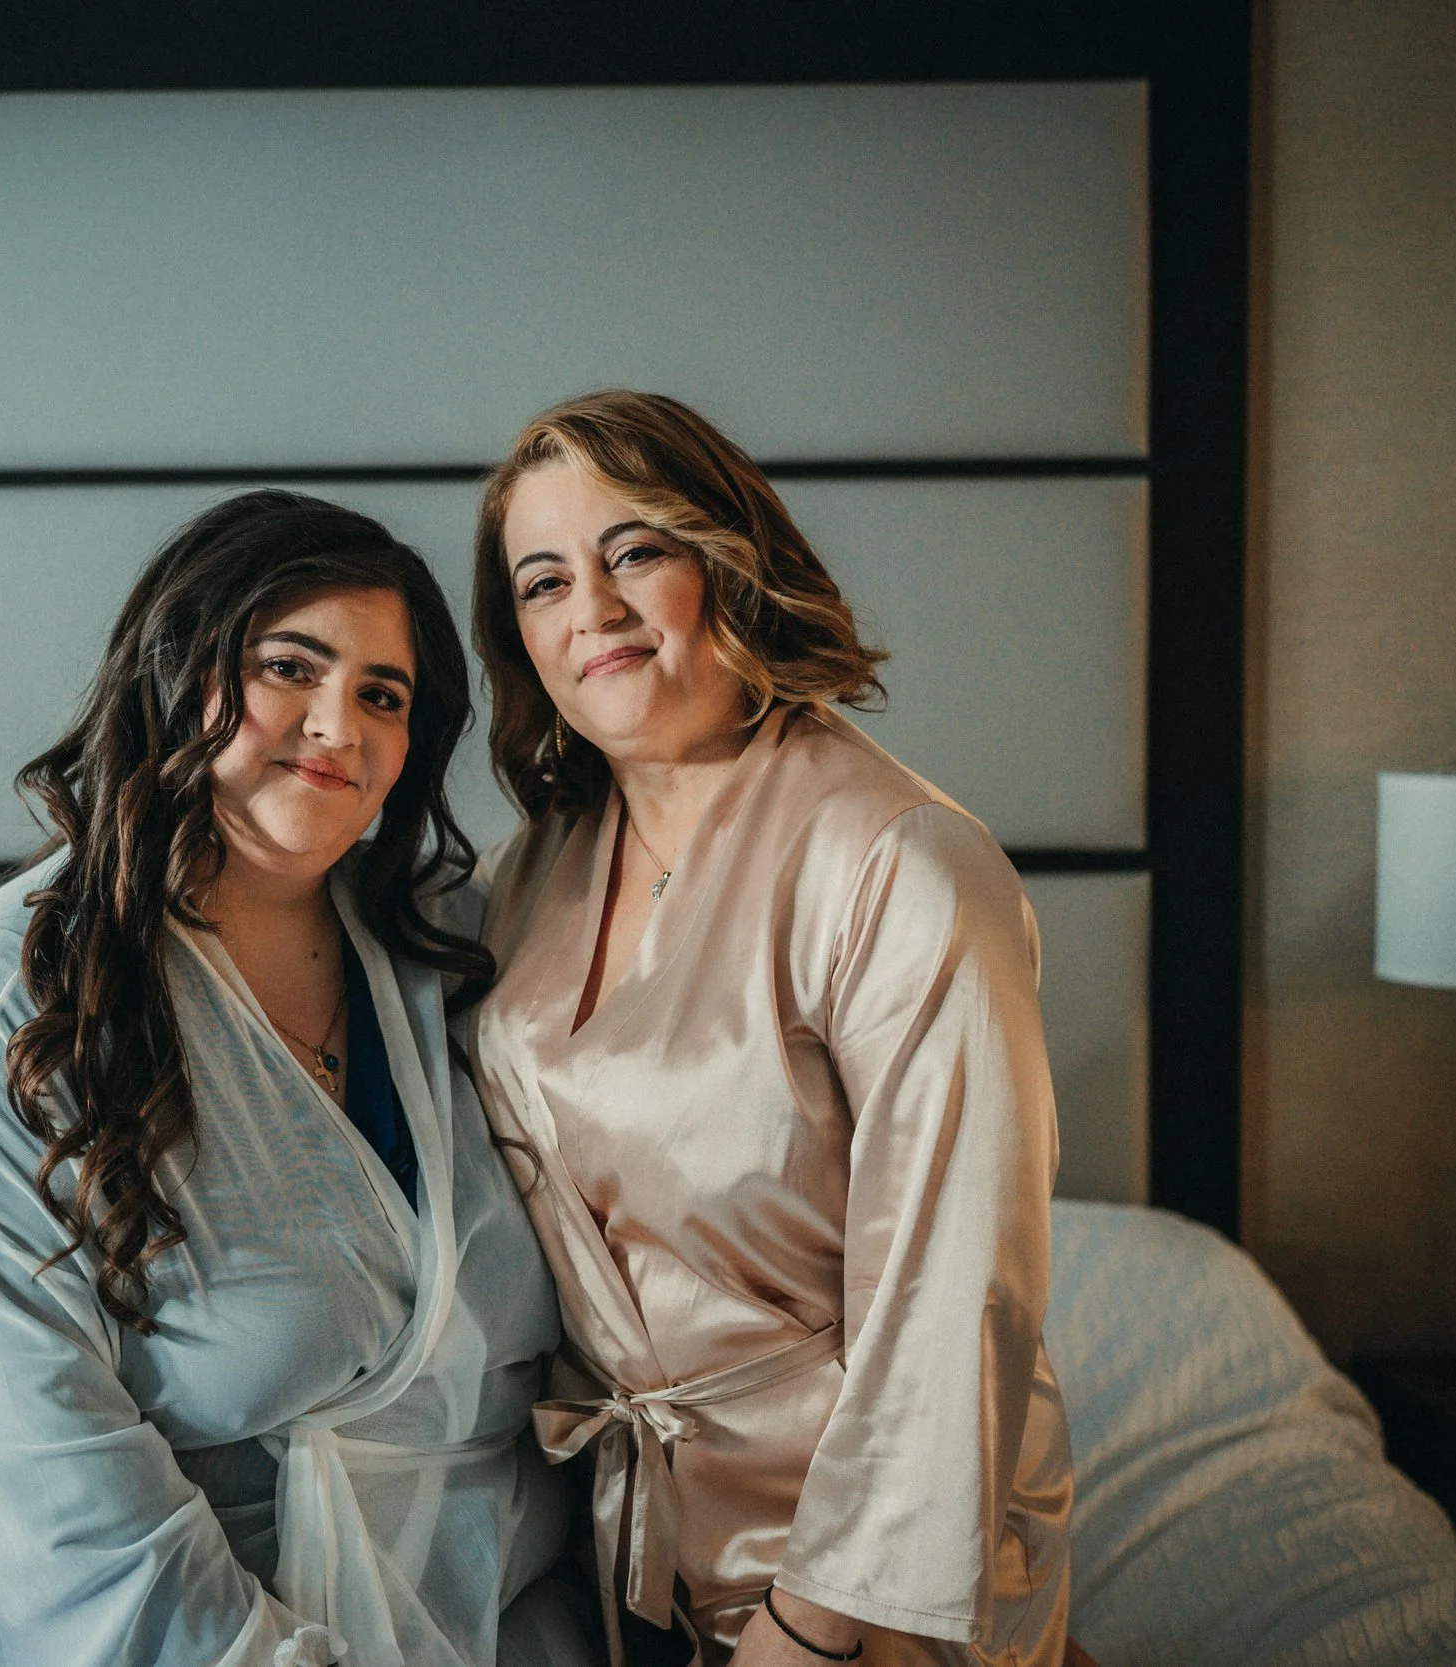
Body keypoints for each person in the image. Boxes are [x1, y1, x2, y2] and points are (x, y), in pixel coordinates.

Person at [0, 491, 588, 1667]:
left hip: (521, 1618)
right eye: (288, 667)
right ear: (174, 671)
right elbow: (33, 1488)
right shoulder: (5, 1008)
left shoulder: (450, 950)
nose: (337, 726)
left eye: (383, 695)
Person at [467, 394, 1076, 1667]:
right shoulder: (533, 869)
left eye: (635, 551)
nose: (592, 609)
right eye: (544, 581)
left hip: (864, 1560)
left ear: (728, 559)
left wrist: (816, 1620)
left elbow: (952, 1288)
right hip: (623, 1539)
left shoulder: (898, 862)